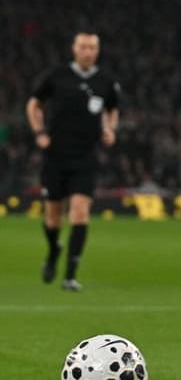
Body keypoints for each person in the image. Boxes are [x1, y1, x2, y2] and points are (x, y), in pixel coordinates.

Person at [26, 30, 120, 291]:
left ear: (97, 51)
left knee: (80, 213)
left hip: (85, 157)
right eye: (83, 47)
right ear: (74, 49)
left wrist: (110, 129)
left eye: (92, 47)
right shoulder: (57, 76)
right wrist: (39, 132)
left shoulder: (106, 81)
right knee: (53, 218)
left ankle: (69, 275)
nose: (88, 51)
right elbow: (33, 104)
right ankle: (54, 250)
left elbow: (112, 108)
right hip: (55, 157)